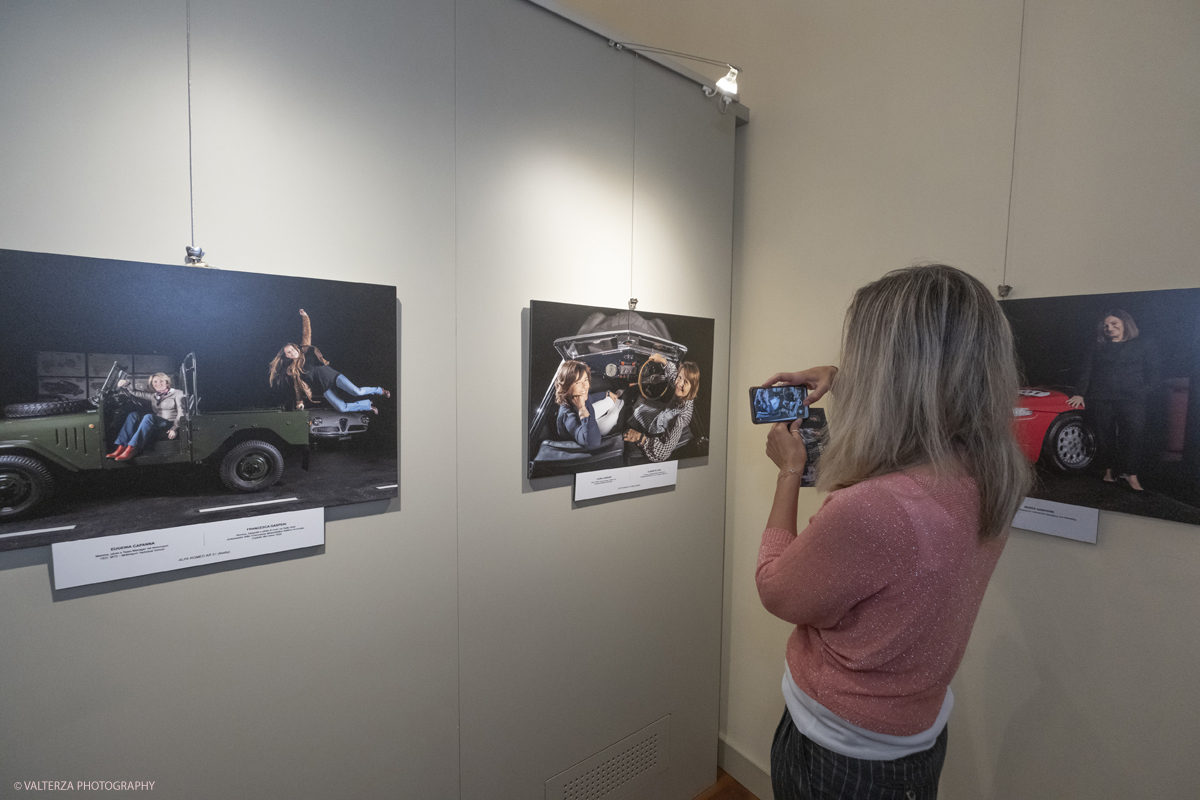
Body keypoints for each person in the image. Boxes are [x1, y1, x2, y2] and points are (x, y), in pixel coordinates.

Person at [757, 265, 1033, 800]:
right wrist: (839, 376)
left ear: (889, 369)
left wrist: (790, 470)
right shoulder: (990, 473)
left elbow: (775, 587)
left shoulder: (876, 508)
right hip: (909, 741)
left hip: (838, 754)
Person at [1066, 309, 1159, 492]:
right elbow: (1087, 371)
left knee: (1134, 435)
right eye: (1106, 325)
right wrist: (1079, 393)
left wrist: (1145, 391)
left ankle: (1131, 474)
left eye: (1114, 324)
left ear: (1125, 324)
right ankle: (1109, 471)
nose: (1109, 328)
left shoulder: (1144, 344)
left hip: (1133, 398)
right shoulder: (1096, 346)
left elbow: (1154, 373)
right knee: (1104, 435)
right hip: (1102, 397)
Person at [268, 309, 391, 414]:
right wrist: (300, 402)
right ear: (287, 356)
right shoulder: (294, 370)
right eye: (288, 353)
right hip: (324, 387)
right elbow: (297, 387)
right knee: (342, 408)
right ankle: (368, 405)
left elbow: (306, 333)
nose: (291, 353)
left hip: (333, 377)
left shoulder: (305, 350)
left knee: (356, 391)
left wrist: (305, 317)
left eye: (291, 350)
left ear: (295, 347)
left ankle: (380, 390)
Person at [623, 353, 701, 462]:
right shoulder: (681, 387)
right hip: (664, 411)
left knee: (638, 410)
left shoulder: (681, 418)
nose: (679, 384)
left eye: (686, 382)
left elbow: (664, 451)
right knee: (640, 400)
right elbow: (674, 374)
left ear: (693, 387)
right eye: (680, 378)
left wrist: (639, 437)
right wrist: (662, 360)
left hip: (659, 425)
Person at [106, 372, 188, 461]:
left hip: (170, 423)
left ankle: (133, 448)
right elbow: (135, 392)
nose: (158, 384)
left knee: (149, 417)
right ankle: (121, 446)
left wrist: (174, 428)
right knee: (133, 415)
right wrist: (126, 383)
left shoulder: (178, 393)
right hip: (157, 422)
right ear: (152, 384)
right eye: (155, 382)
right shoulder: (154, 396)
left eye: (161, 381)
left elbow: (182, 412)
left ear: (167, 383)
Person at [554, 360, 624, 448]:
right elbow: (593, 442)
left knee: (610, 400)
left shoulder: (580, 396)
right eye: (577, 382)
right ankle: (622, 402)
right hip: (590, 430)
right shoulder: (567, 416)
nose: (585, 386)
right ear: (566, 387)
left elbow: (591, 398)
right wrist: (582, 409)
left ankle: (618, 397)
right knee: (614, 414)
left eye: (585, 380)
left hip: (586, 417)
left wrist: (607, 393)